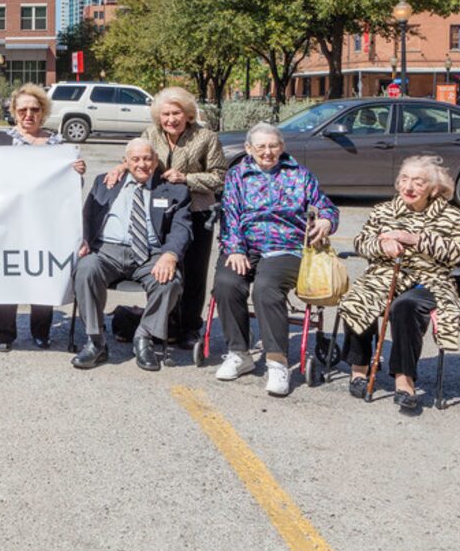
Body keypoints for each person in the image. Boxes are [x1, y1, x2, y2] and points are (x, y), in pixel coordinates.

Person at [212, 122, 338, 397]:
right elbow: (230, 215)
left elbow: (325, 205)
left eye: (273, 146)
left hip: (287, 247)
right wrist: (234, 248)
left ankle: (276, 361)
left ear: (282, 147)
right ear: (249, 149)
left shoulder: (300, 175)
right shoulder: (237, 175)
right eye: (261, 147)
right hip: (245, 246)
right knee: (226, 282)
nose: (268, 152)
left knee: (266, 288)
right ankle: (239, 353)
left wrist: (327, 220)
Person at [339, 155, 460, 413]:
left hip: (429, 281)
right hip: (387, 275)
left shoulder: (451, 216)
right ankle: (359, 369)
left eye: (418, 182)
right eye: (404, 179)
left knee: (405, 306)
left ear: (433, 188)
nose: (409, 187)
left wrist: (415, 239)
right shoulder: (383, 210)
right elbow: (361, 242)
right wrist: (381, 244)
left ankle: (404, 378)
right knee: (357, 298)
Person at [104, 87, 225, 347]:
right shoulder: (150, 134)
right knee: (161, 269)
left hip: (195, 210)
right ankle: (162, 324)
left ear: (188, 114)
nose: (170, 119)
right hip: (159, 212)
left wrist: (187, 178)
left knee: (192, 272)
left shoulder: (205, 137)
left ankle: (190, 327)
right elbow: (135, 160)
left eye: (176, 113)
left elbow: (219, 177)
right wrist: (119, 167)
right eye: (165, 114)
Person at [71, 139, 192, 371]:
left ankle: (144, 337)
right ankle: (95, 341)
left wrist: (170, 255)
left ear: (156, 162)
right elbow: (86, 217)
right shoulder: (105, 183)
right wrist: (83, 239)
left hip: (151, 254)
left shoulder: (174, 190)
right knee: (85, 269)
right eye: (135, 159)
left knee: (169, 281)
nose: (142, 164)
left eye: (147, 159)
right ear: (125, 162)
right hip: (108, 251)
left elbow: (182, 228)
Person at [0, 84, 87, 352]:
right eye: (23, 109)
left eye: (34, 109)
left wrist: (76, 172)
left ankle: (41, 331)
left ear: (43, 112)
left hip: (46, 224)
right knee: (6, 276)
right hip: (8, 224)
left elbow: (70, 191)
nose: (28, 114)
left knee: (42, 273)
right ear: (14, 111)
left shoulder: (58, 144)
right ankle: (3, 333)